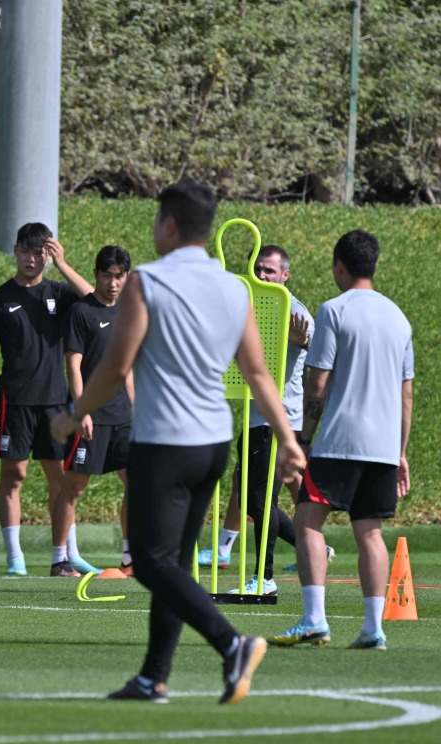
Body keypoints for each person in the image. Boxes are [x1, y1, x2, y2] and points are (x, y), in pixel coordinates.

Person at [53, 180, 305, 705]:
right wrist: (288, 440)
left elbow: (115, 367)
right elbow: (259, 374)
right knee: (176, 561)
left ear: (168, 224)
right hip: (215, 444)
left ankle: (231, 643)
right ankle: (153, 677)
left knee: (149, 562)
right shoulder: (235, 288)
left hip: (165, 441)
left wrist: (72, 414)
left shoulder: (148, 281)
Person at [271, 231, 413, 651]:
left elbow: (317, 382)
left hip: (339, 439)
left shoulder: (334, 311)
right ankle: (373, 628)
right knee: (369, 531)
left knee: (307, 520)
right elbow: (407, 393)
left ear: (339, 266)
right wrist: (400, 451)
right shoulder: (398, 317)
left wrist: (304, 438)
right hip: (384, 445)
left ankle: (315, 618)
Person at [195, 245, 325, 594]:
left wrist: (303, 340)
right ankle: (311, 546)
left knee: (259, 500)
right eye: (259, 270)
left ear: (285, 275)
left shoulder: (294, 312)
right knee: (252, 498)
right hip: (254, 417)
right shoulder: (249, 307)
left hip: (280, 419)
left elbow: (320, 358)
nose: (263, 276)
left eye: (270, 270)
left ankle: (265, 578)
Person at [0, 223, 92, 577]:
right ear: (15, 251)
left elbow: (92, 300)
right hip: (15, 401)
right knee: (14, 475)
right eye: (26, 251)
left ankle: (62, 557)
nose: (32, 258)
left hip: (56, 403)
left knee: (60, 477)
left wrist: (64, 264)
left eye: (40, 251)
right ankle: (15, 558)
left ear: (48, 253)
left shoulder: (59, 292)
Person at [54, 246, 133, 577]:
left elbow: (128, 367)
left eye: (119, 276)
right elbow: (73, 363)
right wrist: (81, 409)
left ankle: (130, 558)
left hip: (123, 417)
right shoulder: (82, 312)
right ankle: (59, 559)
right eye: (106, 275)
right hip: (91, 416)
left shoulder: (128, 311)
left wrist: (138, 409)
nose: (113, 283)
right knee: (74, 486)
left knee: (136, 482)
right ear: (96, 274)